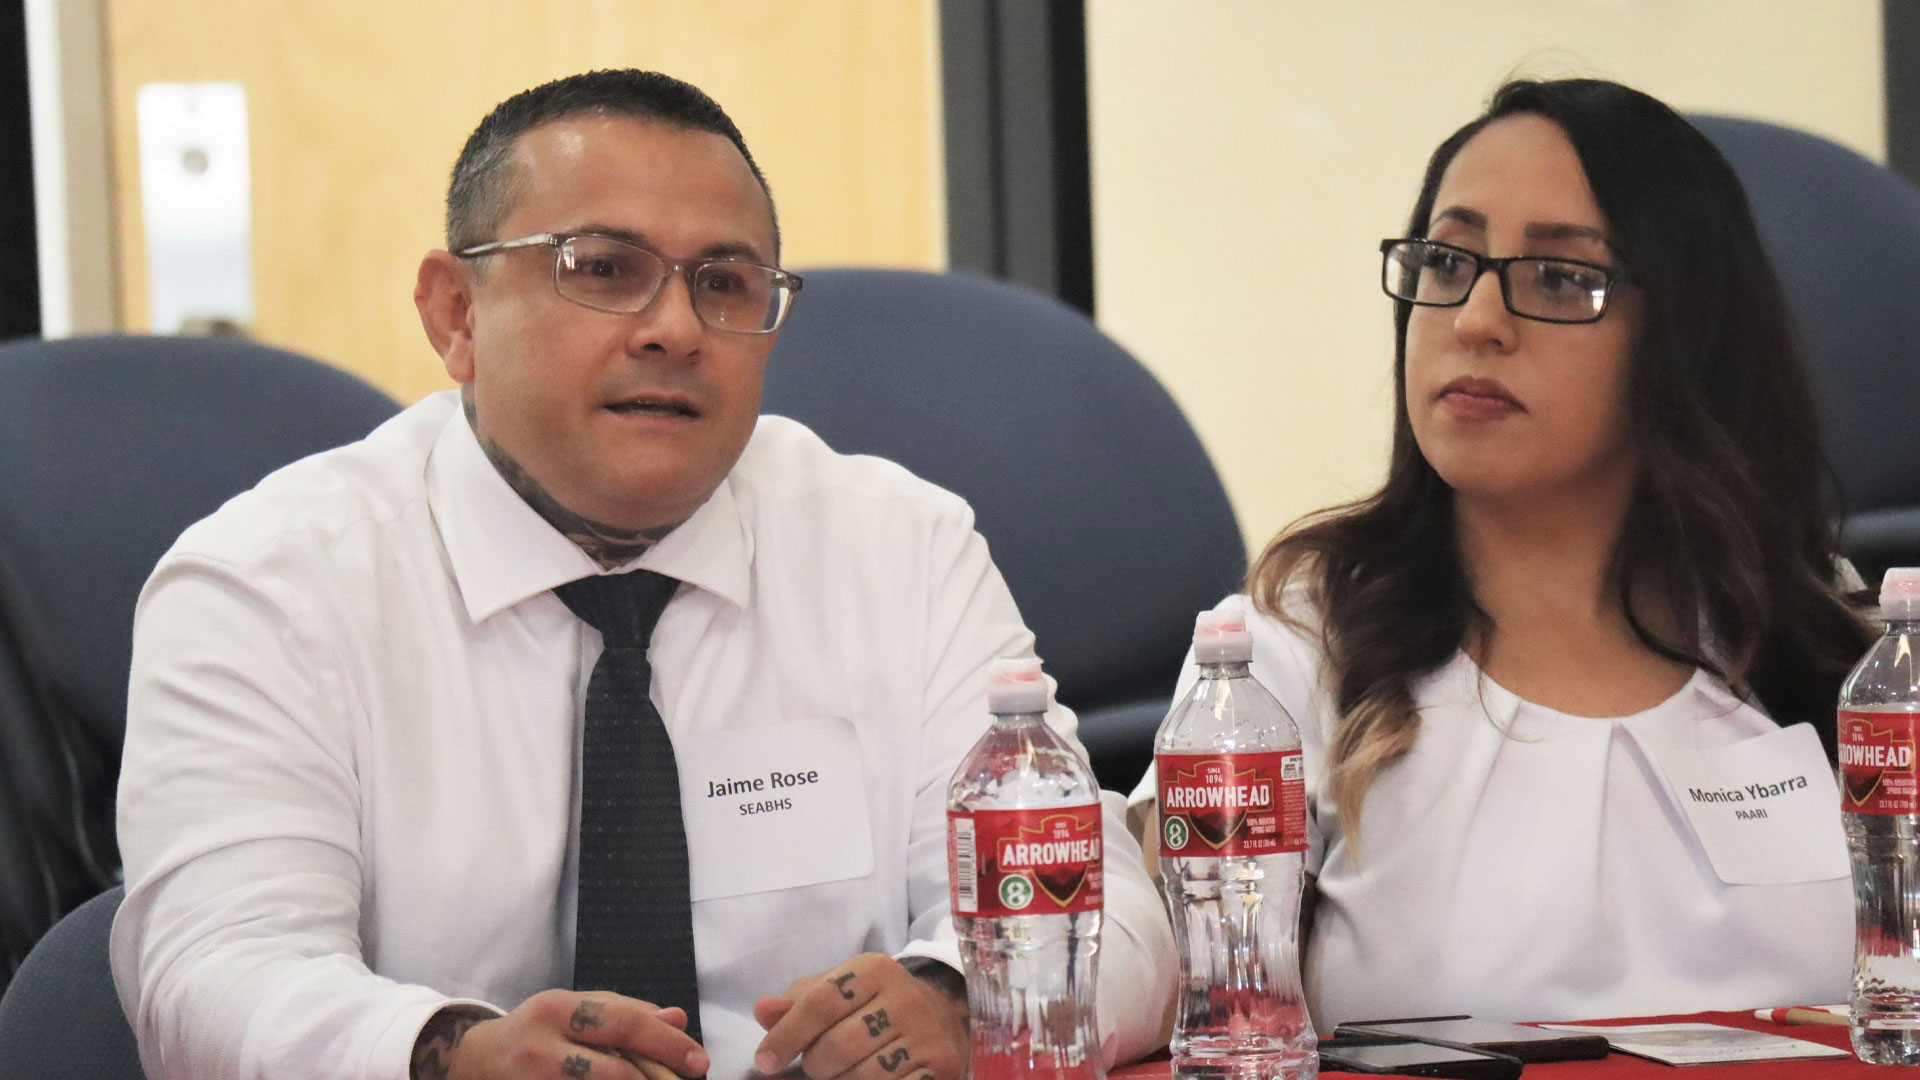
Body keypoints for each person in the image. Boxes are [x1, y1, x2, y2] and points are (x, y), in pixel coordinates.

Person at [112, 70, 1174, 1080]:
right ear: (456, 315)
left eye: (725, 284)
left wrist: (960, 998)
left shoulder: (901, 548)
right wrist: (444, 1054)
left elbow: (1112, 909)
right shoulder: (270, 586)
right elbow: (212, 975)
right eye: (603, 268)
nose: (675, 330)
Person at [1132, 78, 1875, 1027]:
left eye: (1560, 278)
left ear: (1687, 334)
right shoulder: (1298, 640)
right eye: (1447, 262)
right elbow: (1151, 971)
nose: (1476, 320)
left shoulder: (1823, 641)